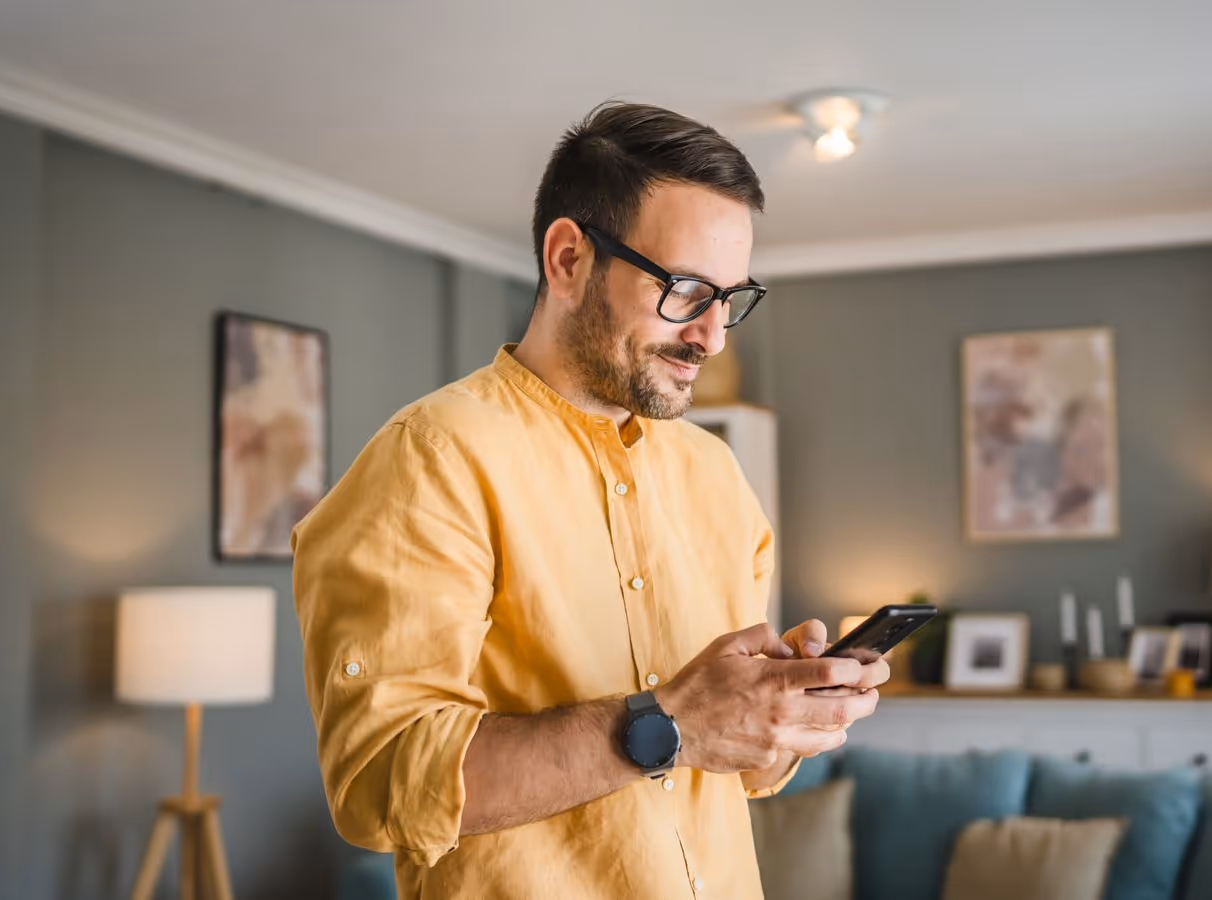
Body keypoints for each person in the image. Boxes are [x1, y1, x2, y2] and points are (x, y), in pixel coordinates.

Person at [292, 101, 889, 899]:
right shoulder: (430, 461)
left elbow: (735, 772)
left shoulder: (718, 479)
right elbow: (378, 782)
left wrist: (779, 719)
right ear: (570, 258)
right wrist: (670, 726)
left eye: (731, 298)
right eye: (685, 290)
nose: (712, 336)